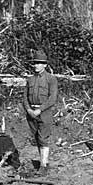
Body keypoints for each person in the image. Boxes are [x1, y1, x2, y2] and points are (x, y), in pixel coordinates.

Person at [23, 49, 58, 177]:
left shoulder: (51, 79)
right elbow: (25, 97)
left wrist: (39, 110)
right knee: (37, 138)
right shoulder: (30, 80)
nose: (36, 65)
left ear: (45, 65)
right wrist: (28, 110)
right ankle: (44, 161)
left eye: (39, 63)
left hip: (44, 113)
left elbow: (52, 99)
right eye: (35, 63)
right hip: (31, 112)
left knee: (43, 137)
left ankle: (43, 166)